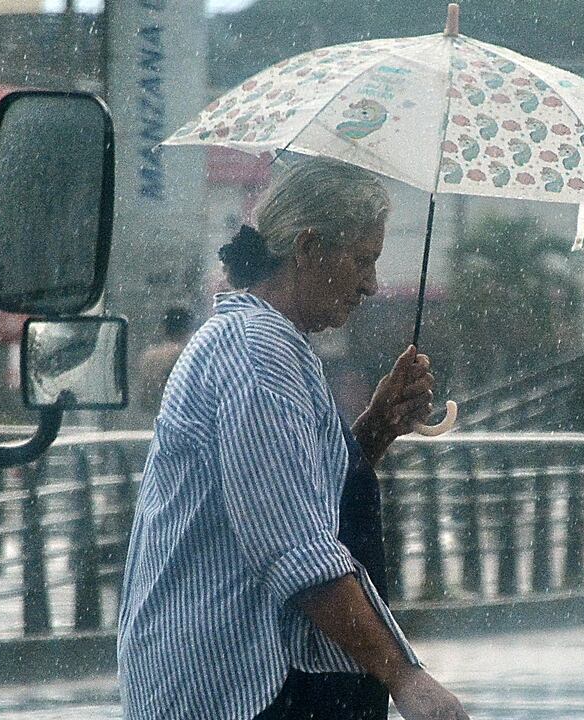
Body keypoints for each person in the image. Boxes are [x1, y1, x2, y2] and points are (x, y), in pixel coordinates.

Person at [117, 158, 470, 720]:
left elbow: (298, 491)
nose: (371, 284)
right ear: (308, 249)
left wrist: (377, 426)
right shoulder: (258, 355)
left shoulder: (271, 345)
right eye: (361, 260)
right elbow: (295, 550)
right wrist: (406, 677)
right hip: (235, 689)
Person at [134, 305, 195, 421]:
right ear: (188, 329)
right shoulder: (188, 354)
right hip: (179, 422)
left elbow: (144, 399)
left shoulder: (149, 356)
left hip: (148, 421)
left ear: (164, 329)